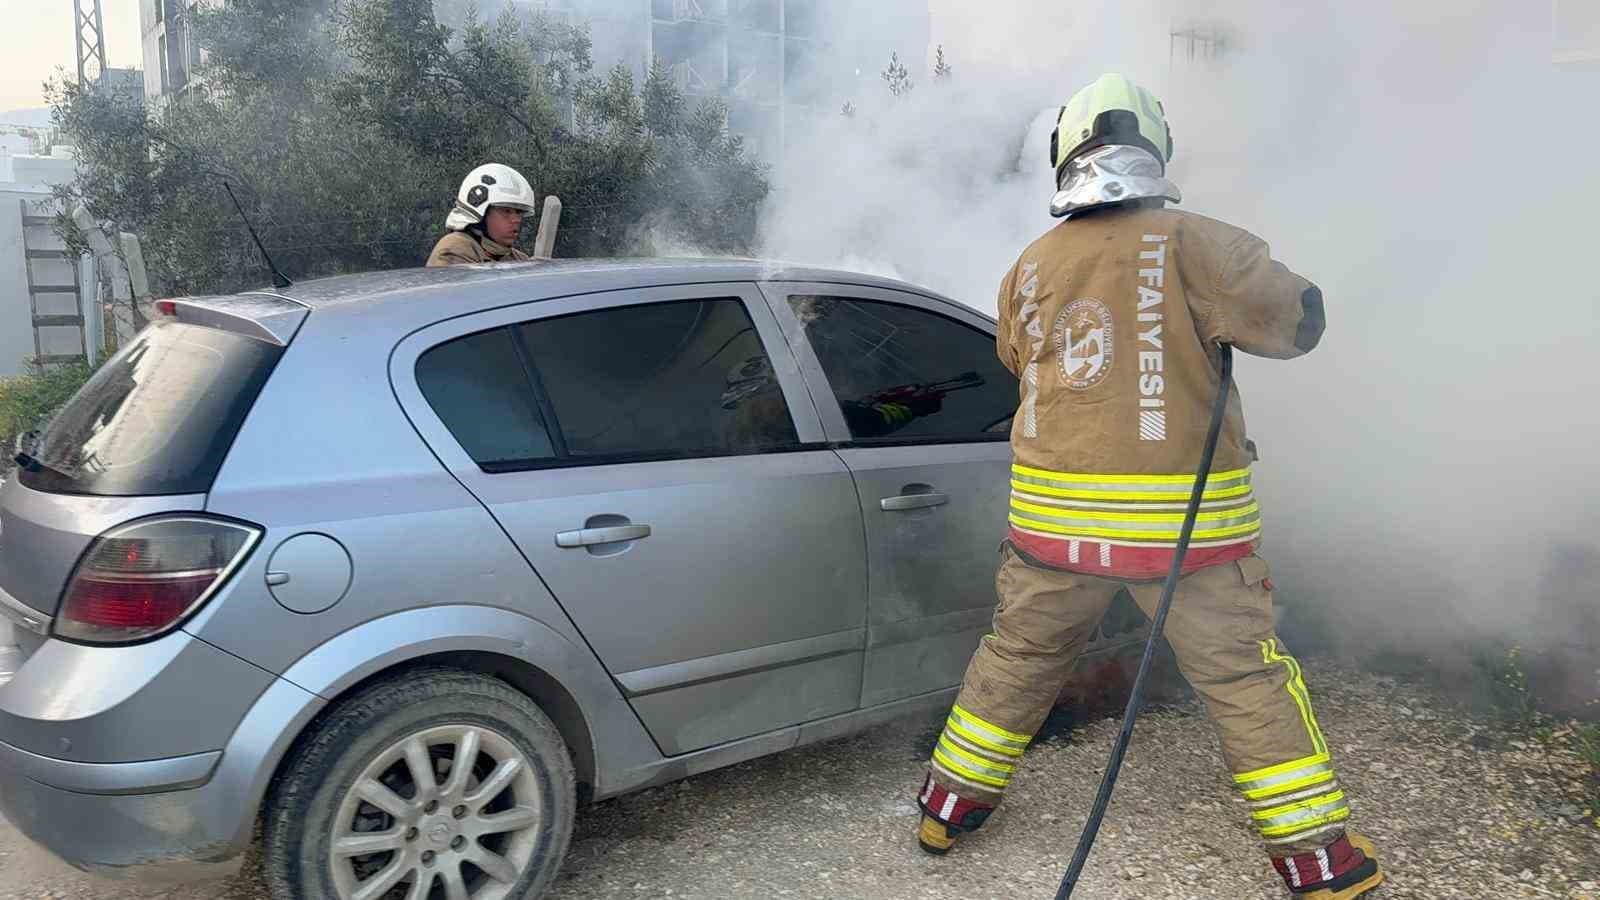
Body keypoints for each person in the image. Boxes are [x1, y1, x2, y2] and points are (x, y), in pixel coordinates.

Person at [912, 74, 1384, 900]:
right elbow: (1299, 324)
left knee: (1018, 657)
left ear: (1066, 153)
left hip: (1053, 532)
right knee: (1243, 681)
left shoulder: (1029, 262)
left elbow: (1018, 364)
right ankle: (1317, 861)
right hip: (1186, 543)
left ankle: (946, 808)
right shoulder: (1203, 243)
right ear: (1155, 146)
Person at [425, 163, 537, 267]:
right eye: (506, 211)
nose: (516, 220)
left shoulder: (517, 258)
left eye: (519, 212)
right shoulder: (454, 249)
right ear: (480, 213)